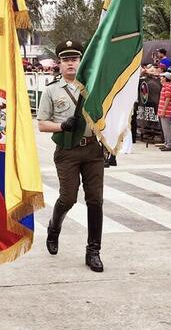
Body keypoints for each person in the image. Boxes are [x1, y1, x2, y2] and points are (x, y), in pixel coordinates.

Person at [37, 40, 105, 272]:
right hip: (67, 151)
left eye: (74, 59)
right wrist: (61, 126)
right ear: (59, 64)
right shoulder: (51, 90)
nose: (70, 63)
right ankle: (54, 228)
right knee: (68, 198)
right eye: (65, 60)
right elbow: (42, 124)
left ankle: (93, 250)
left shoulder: (92, 87)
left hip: (93, 150)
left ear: (81, 61)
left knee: (95, 200)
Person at [158, 72, 171, 151]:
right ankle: (166, 143)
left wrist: (163, 111)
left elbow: (167, 99)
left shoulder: (168, 86)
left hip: (165, 111)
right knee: (165, 128)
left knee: (167, 128)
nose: (161, 78)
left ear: (165, 78)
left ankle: (169, 145)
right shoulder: (165, 86)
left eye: (162, 77)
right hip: (163, 110)